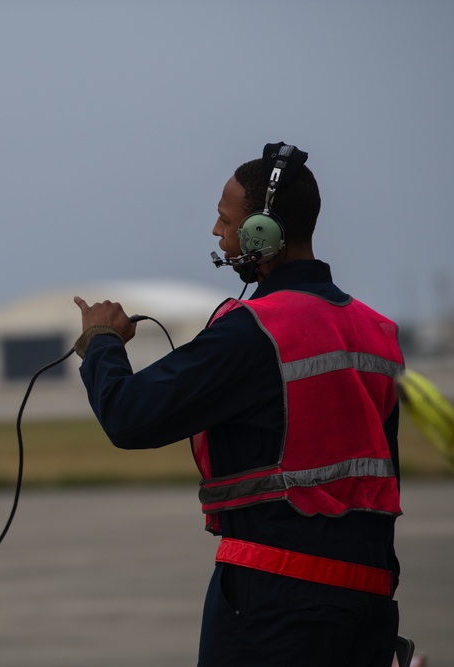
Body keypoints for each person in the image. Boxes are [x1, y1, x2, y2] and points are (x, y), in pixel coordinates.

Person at [72, 143, 404, 667]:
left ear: (262, 235)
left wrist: (101, 344)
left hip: (275, 598)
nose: (215, 232)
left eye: (225, 220)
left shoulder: (256, 332)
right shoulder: (376, 331)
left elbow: (128, 416)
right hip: (368, 600)